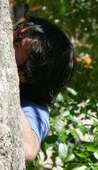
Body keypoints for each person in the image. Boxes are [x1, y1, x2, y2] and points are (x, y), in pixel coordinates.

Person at [13, 16, 75, 162]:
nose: (9, 35)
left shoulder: (35, 109)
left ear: (25, 75)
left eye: (16, 43)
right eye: (17, 30)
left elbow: (28, 149)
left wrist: (8, 89)